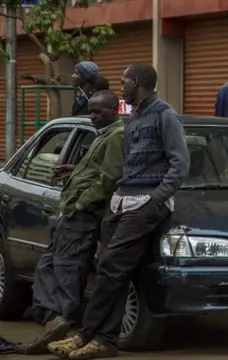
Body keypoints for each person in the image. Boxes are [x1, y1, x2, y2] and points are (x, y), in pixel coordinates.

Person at [47, 63, 190, 360]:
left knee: (112, 266)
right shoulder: (133, 118)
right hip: (121, 199)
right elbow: (126, 164)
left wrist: (155, 200)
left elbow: (180, 165)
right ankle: (105, 339)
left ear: (136, 82)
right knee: (112, 271)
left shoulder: (165, 115)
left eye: (124, 82)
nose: (120, 87)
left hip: (146, 203)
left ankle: (87, 334)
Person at [17, 90, 125, 355]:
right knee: (48, 265)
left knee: (67, 270)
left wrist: (81, 202)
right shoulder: (104, 135)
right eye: (90, 111)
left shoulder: (117, 136)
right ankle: (54, 320)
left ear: (114, 110)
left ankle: (64, 323)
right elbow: (98, 170)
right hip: (73, 212)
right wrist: (75, 171)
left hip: (84, 214)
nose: (92, 116)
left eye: (98, 112)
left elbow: (110, 177)